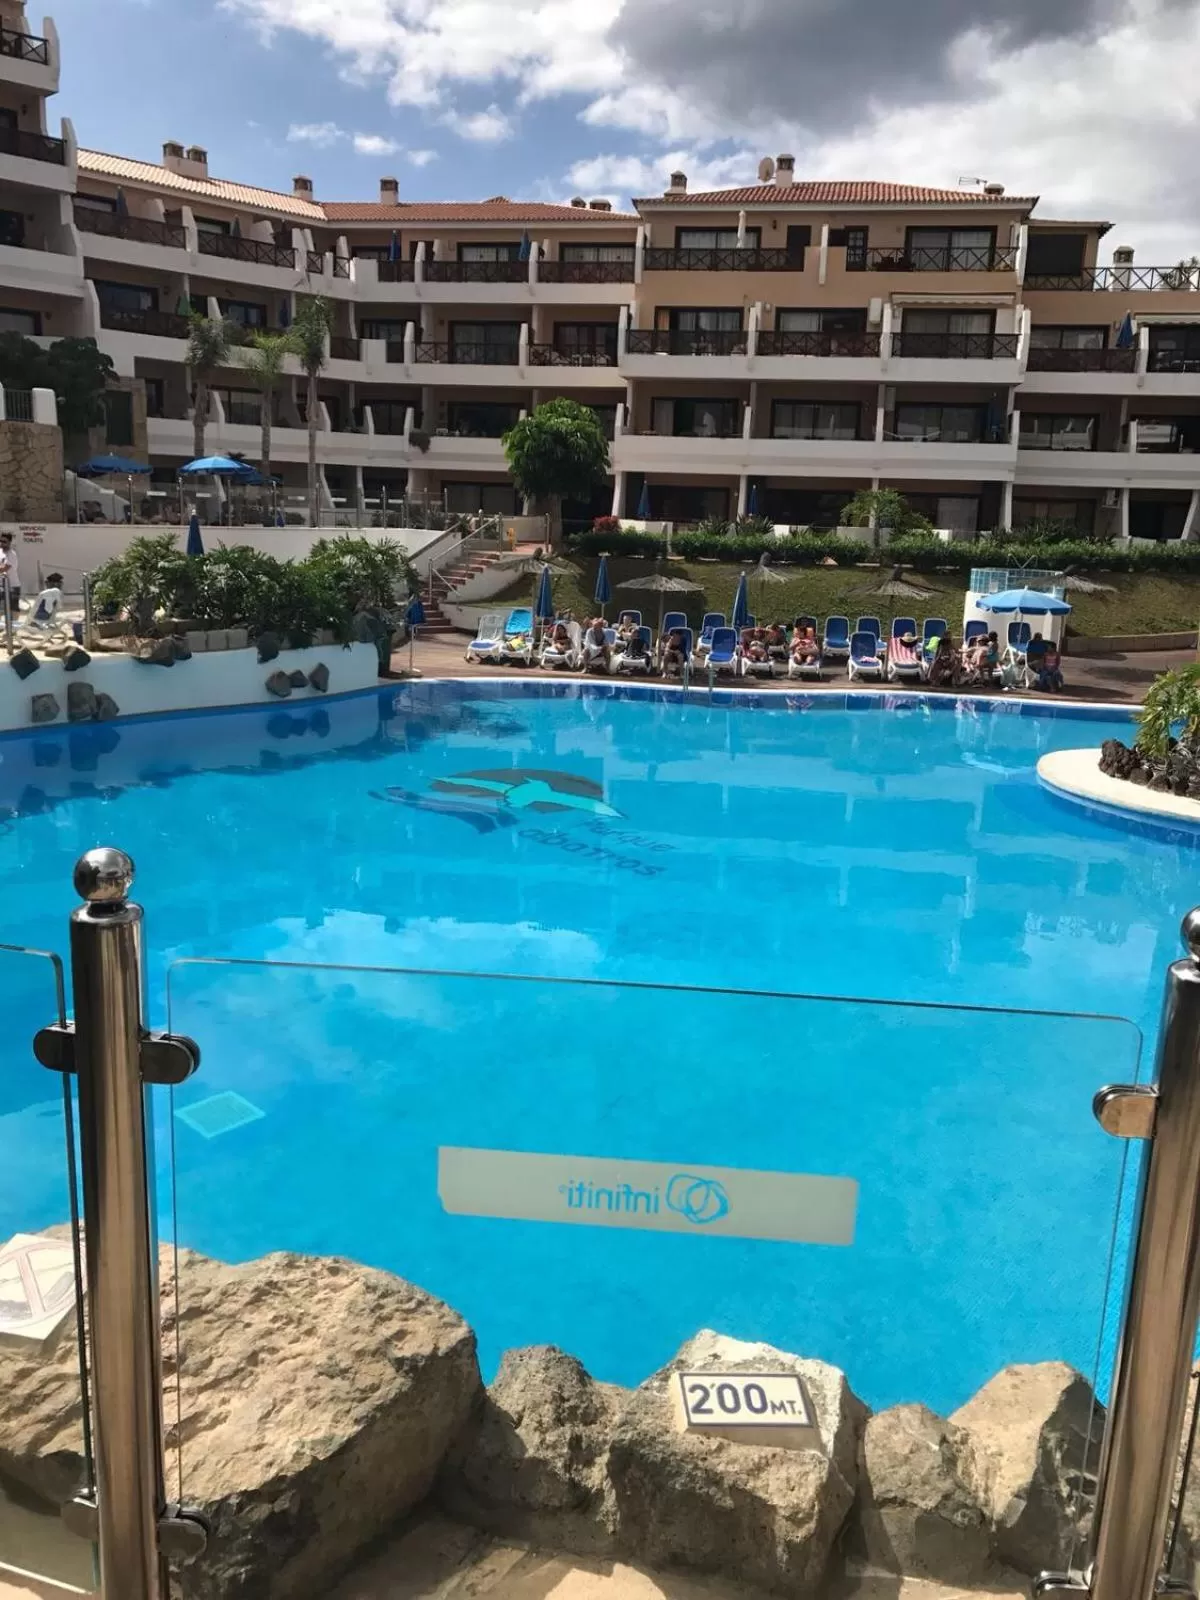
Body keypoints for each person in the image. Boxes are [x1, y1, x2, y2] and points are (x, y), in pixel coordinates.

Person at [0, 531, 20, 616]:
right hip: (2, 586)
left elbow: (3, 569)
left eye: (4, 542)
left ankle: (13, 629)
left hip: (12, 587)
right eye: (0, 541)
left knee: (13, 611)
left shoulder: (12, 554)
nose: (1, 543)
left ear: (9, 542)